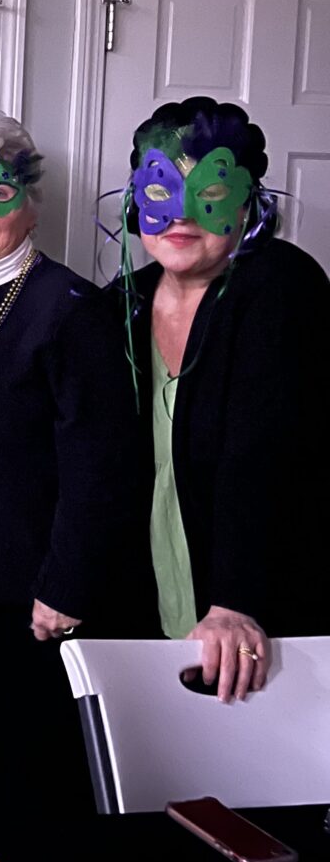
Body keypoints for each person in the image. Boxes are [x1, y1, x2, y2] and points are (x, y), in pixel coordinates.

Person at [0, 114, 141, 825]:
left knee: (41, 774)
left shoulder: (71, 310)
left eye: (0, 191)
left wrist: (67, 584)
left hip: (37, 597)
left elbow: (101, 463)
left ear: (31, 203)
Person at [115, 96, 330, 703]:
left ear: (246, 205)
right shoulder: (121, 305)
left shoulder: (279, 285)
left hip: (257, 603)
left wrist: (238, 600)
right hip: (155, 593)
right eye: (161, 187)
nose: (183, 214)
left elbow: (264, 450)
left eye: (209, 190)